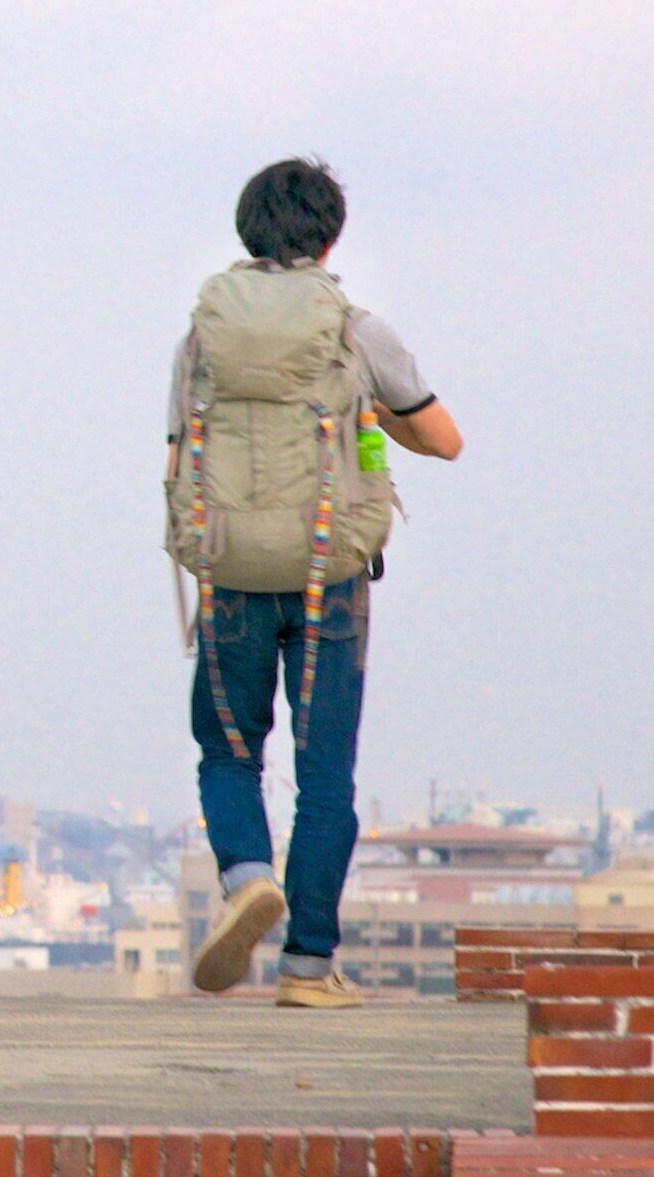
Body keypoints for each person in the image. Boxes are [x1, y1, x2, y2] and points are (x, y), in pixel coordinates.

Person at [164, 157, 460, 1007]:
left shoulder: (201, 337)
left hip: (229, 571)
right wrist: (373, 422)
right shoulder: (357, 333)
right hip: (329, 568)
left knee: (226, 749)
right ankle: (307, 967)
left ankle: (249, 876)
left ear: (245, 230)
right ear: (329, 237)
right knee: (324, 771)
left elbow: (179, 449)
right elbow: (443, 439)